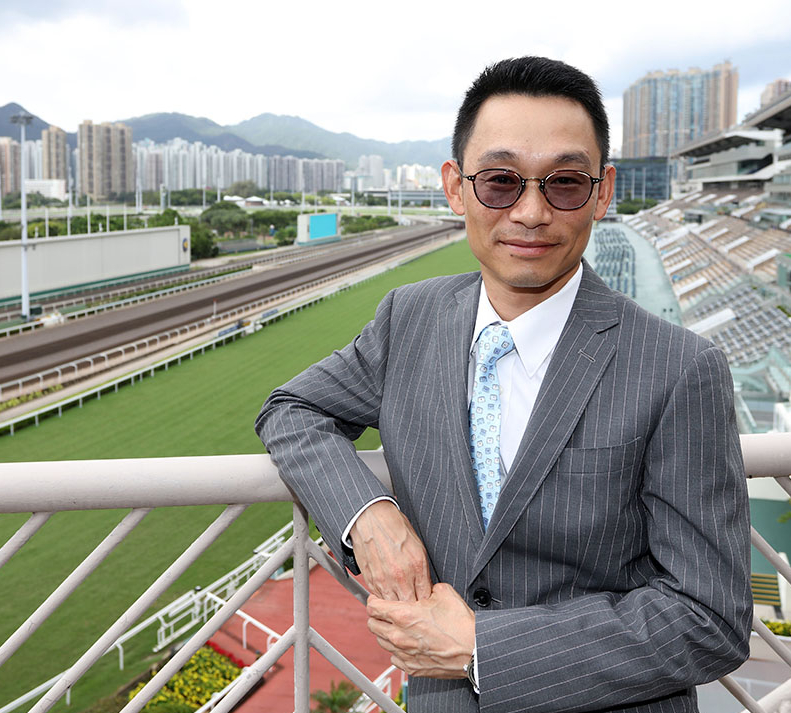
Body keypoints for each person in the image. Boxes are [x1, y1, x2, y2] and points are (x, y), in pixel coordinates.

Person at [256, 56, 751, 713]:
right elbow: (292, 408)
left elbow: (710, 617)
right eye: (500, 181)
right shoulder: (410, 317)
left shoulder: (680, 366)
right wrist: (366, 514)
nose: (531, 211)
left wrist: (479, 648)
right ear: (455, 189)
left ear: (603, 194)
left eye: (565, 183)